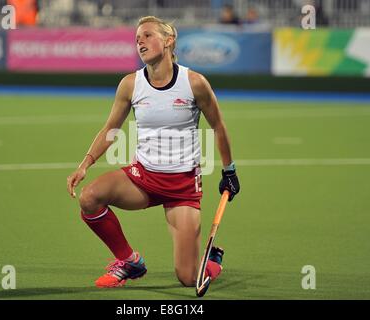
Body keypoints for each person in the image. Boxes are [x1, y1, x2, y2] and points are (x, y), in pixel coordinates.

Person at [66, 16, 240, 288]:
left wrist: (229, 171)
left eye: (147, 35)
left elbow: (218, 126)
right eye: (137, 38)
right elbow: (111, 128)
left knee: (188, 277)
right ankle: (129, 260)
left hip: (182, 187)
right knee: (90, 198)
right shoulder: (130, 84)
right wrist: (85, 164)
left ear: (169, 40)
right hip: (142, 179)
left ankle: (212, 260)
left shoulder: (194, 82)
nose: (140, 42)